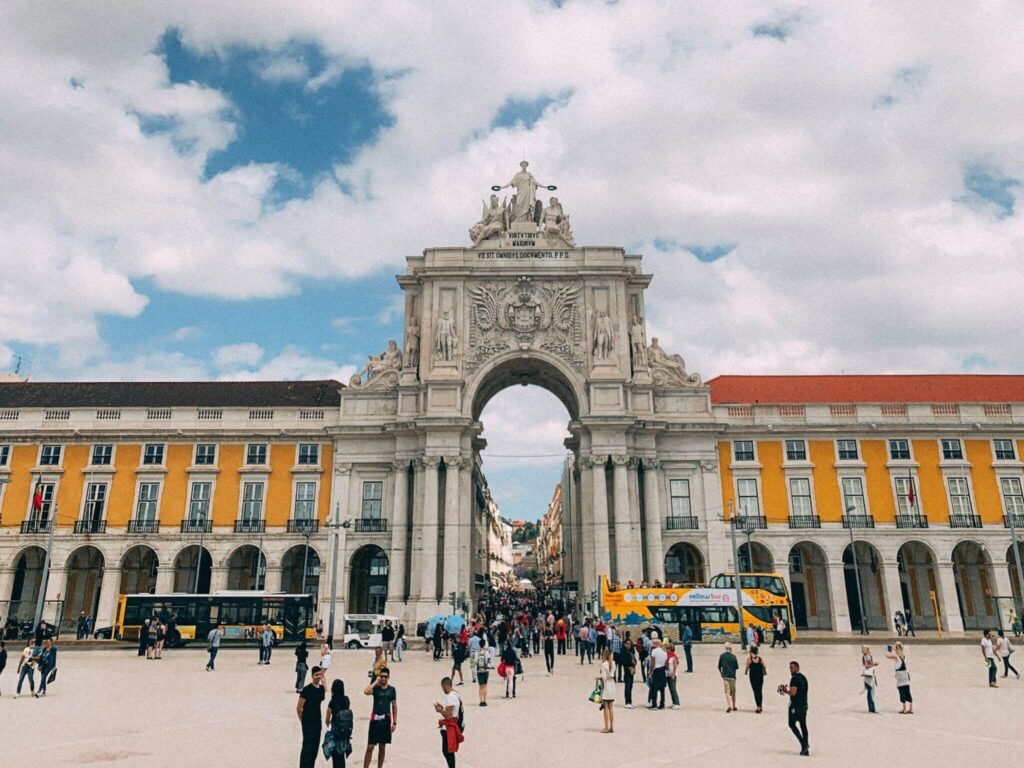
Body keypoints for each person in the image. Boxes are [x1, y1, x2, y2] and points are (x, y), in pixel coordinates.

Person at [363, 667, 397, 768]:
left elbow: (394, 706)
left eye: (385, 677)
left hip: (385, 721)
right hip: (375, 721)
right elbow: (366, 691)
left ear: (388, 677)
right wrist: (375, 682)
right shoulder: (376, 689)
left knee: (382, 747)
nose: (383, 678)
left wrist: (394, 722)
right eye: (382, 676)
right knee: (370, 747)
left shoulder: (392, 690)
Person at [778, 661, 810, 756]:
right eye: (790, 668)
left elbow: (793, 693)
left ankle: (803, 744)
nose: (790, 670)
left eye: (792, 668)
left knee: (791, 724)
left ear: (797, 668)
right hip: (804, 704)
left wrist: (785, 691)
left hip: (796, 706)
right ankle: (806, 749)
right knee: (803, 725)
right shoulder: (803, 678)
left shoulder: (794, 679)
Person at [297, 666, 325, 768]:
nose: (318, 677)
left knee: (315, 748)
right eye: (316, 675)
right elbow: (299, 708)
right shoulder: (306, 690)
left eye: (319, 675)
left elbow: (324, 692)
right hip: (308, 723)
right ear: (312, 676)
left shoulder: (321, 689)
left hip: (317, 722)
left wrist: (324, 680)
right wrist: (303, 721)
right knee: (307, 747)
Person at [434, 677, 464, 768]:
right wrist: (443, 708)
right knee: (449, 751)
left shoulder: (450, 697)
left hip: (449, 727)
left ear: (446, 686)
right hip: (454, 723)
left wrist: (440, 710)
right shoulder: (456, 695)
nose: (443, 690)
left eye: (443, 687)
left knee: (447, 751)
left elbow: (448, 715)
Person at [326, 678, 354, 768]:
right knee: (342, 754)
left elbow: (327, 718)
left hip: (336, 730)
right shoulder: (346, 699)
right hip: (345, 730)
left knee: (335, 755)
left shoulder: (332, 702)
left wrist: (330, 727)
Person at [886, 641, 913, 712]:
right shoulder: (903, 655)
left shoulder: (896, 657)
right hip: (905, 675)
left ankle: (904, 709)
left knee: (902, 692)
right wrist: (894, 648)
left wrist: (888, 649)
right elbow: (898, 651)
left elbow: (887, 656)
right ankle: (910, 709)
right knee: (907, 691)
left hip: (900, 677)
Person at [598, 648, 617, 734]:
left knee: (606, 708)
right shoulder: (613, 663)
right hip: (612, 685)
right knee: (611, 707)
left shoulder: (603, 664)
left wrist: (599, 677)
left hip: (606, 686)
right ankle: (611, 726)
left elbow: (604, 677)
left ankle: (606, 727)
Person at [718, 643, 739, 712]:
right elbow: (737, 667)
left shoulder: (722, 656)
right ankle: (734, 705)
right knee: (733, 692)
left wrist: (721, 673)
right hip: (732, 676)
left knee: (727, 691)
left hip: (725, 676)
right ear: (731, 649)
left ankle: (729, 705)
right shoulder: (734, 656)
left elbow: (719, 666)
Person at [647, 638, 667, 709]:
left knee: (654, 687)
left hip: (656, 670)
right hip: (662, 670)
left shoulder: (654, 651)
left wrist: (651, 672)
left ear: (656, 644)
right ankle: (662, 703)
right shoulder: (664, 652)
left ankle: (654, 704)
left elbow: (653, 663)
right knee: (662, 688)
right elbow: (665, 663)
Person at [745, 645, 766, 713]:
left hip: (753, 677)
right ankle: (760, 706)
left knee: (755, 691)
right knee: (759, 691)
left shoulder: (749, 659)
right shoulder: (760, 658)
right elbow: (765, 666)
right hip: (760, 677)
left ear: (751, 652)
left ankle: (758, 707)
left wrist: (745, 672)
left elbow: (747, 667)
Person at [861, 645, 879, 713]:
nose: (862, 650)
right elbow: (866, 666)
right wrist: (873, 664)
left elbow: (869, 665)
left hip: (871, 676)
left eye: (863, 649)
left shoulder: (869, 656)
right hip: (868, 676)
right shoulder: (864, 657)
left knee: (872, 692)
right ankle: (871, 708)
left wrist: (873, 664)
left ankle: (872, 708)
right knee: (870, 692)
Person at [621, 638, 636, 709]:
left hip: (632, 670)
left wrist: (634, 662)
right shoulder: (623, 651)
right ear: (624, 644)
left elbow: (634, 660)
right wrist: (630, 663)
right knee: (627, 686)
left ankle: (630, 701)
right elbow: (623, 661)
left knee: (630, 687)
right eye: (627, 643)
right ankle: (627, 702)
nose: (629, 644)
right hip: (627, 670)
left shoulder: (631, 651)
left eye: (630, 643)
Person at [665, 641, 681, 709]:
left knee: (673, 689)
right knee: (671, 689)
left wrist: (673, 674)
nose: (666, 650)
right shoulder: (668, 656)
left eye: (668, 648)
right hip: (668, 674)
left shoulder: (673, 656)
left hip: (672, 674)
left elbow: (675, 666)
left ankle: (677, 703)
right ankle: (673, 702)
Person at [476, 640, 492, 706]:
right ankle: (485, 701)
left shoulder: (477, 652)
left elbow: (475, 661)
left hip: (479, 670)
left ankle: (481, 700)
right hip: (485, 670)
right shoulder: (487, 652)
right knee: (485, 685)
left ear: (479, 644)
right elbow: (489, 661)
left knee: (480, 686)